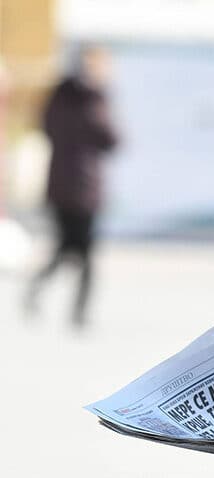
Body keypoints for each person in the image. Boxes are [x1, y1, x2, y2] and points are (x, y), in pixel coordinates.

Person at [25, 45, 118, 327]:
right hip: (83, 186)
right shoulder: (92, 98)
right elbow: (111, 138)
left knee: (69, 248)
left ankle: (43, 293)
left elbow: (44, 125)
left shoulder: (59, 93)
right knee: (81, 250)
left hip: (60, 184)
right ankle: (78, 311)